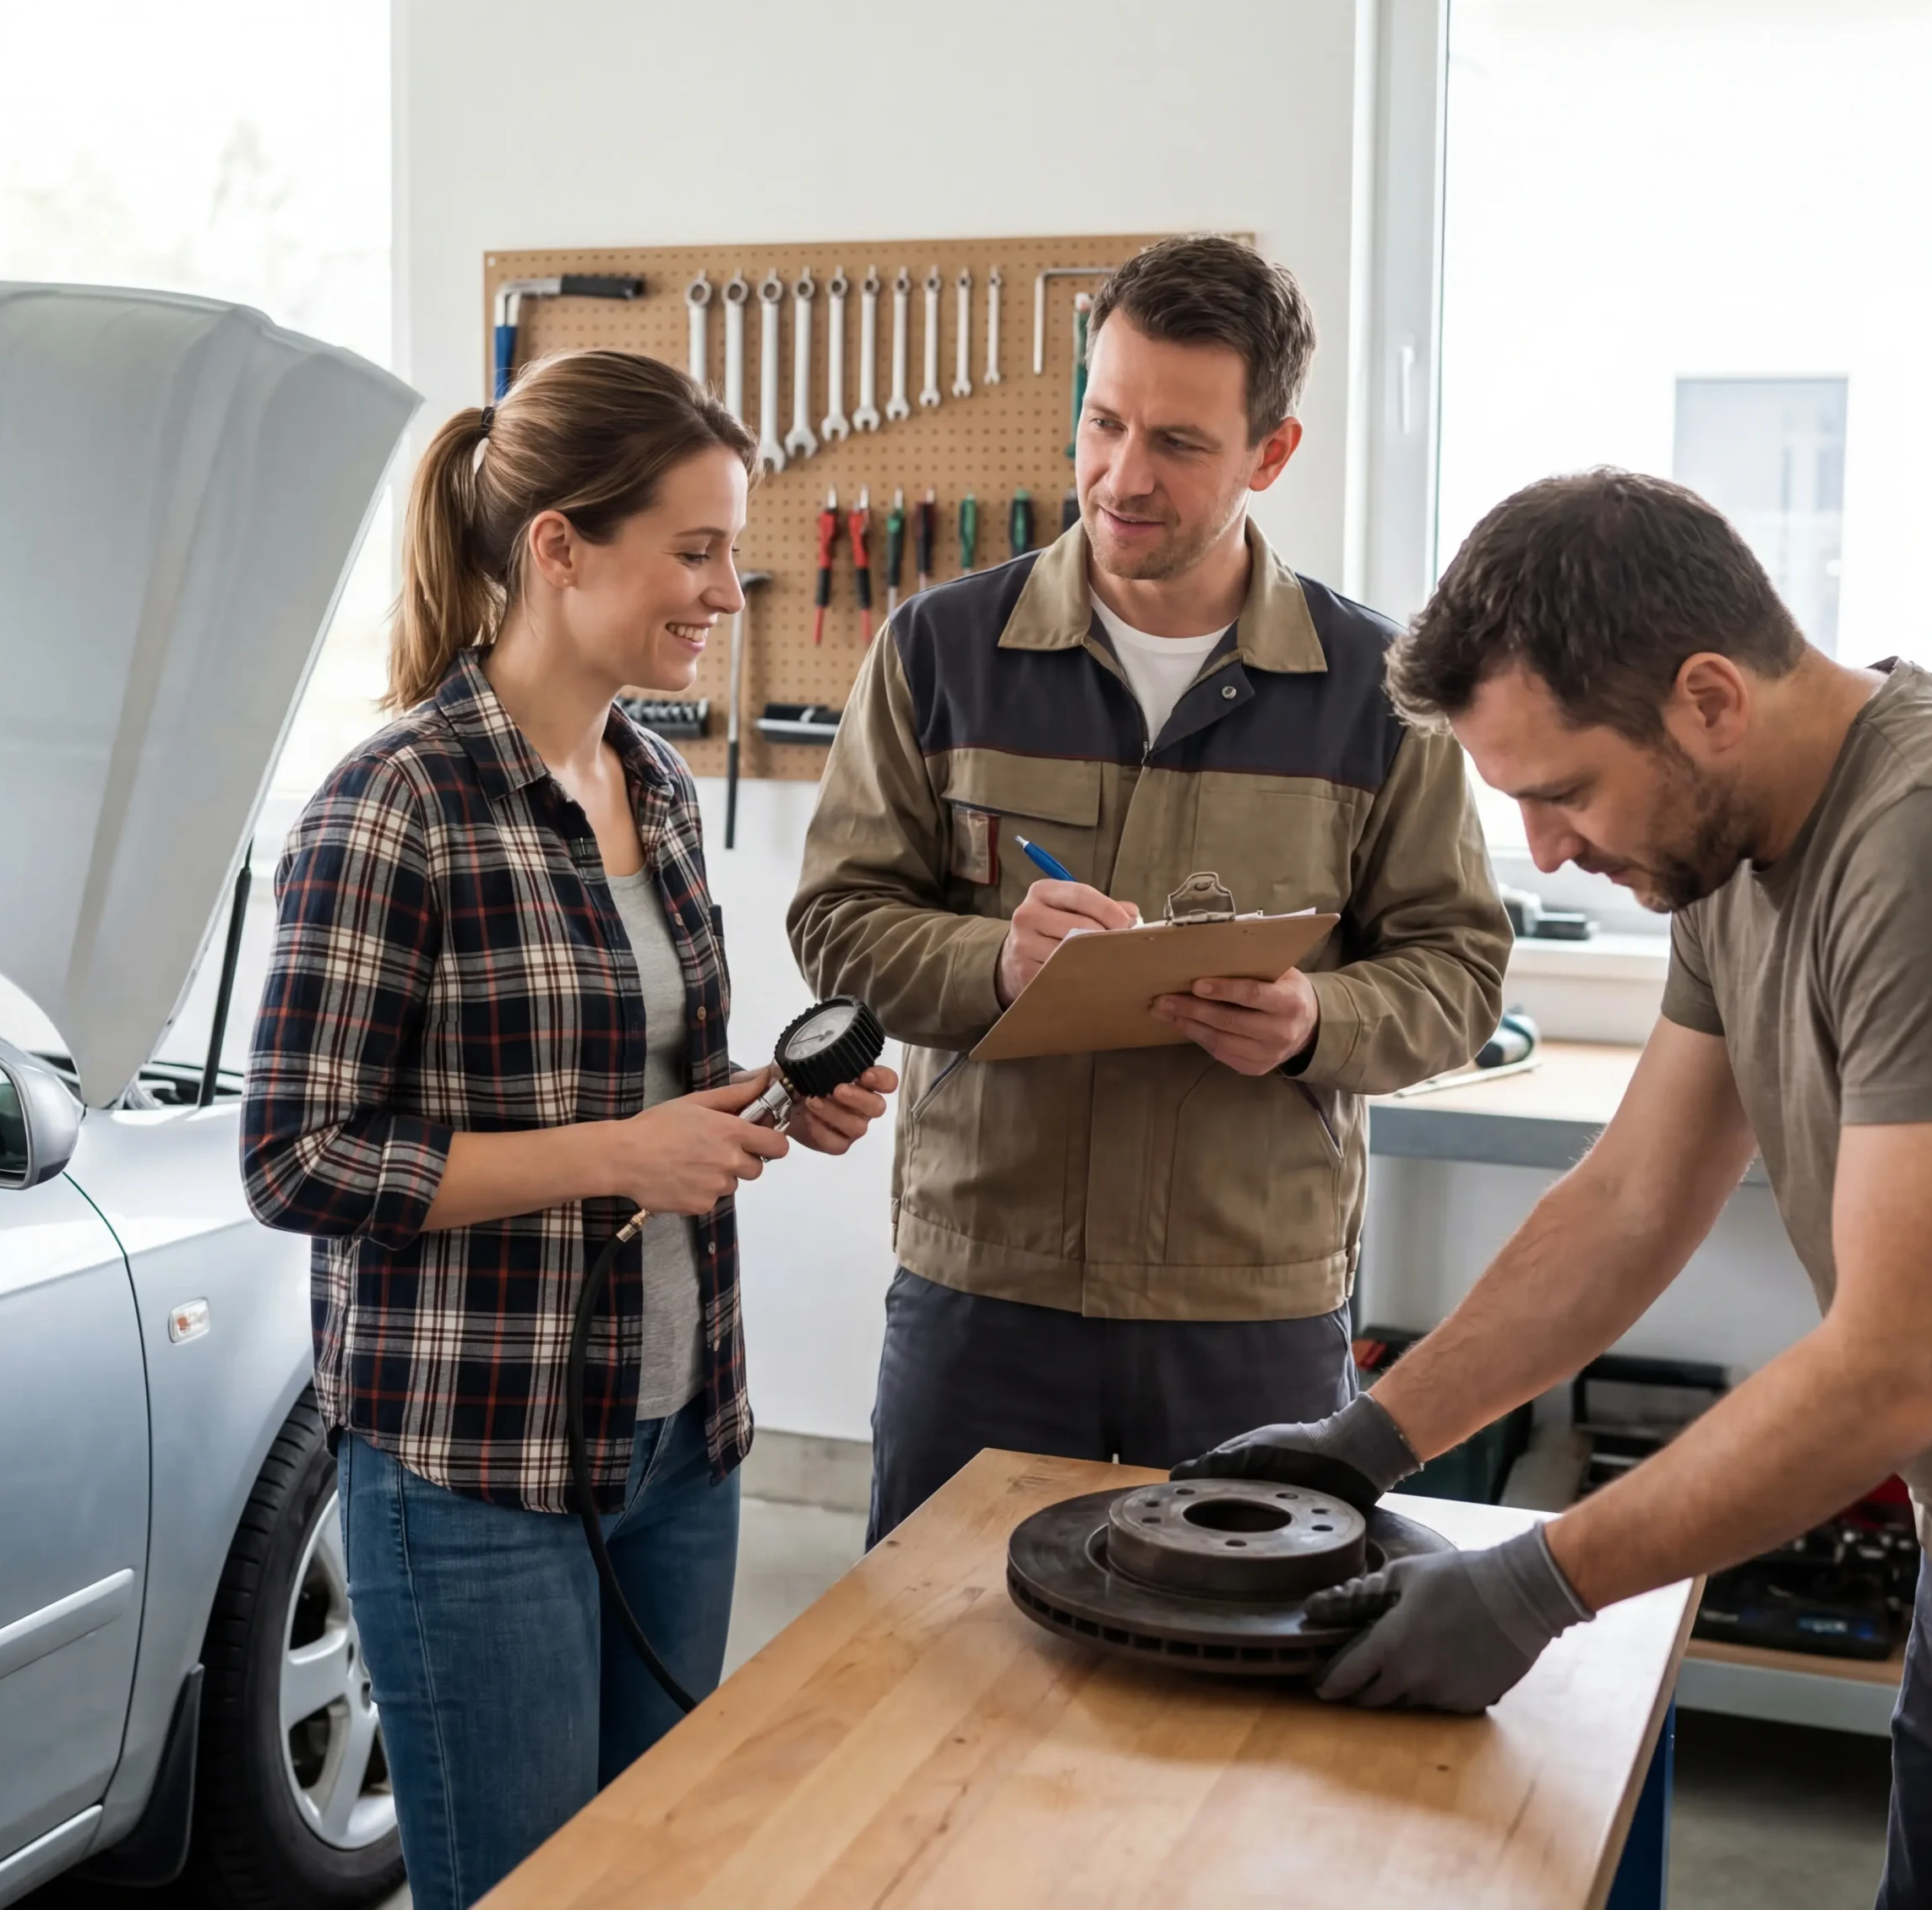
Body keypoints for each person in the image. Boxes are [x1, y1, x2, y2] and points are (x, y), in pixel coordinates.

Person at [1178, 469, 1932, 1905]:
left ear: (1709, 699)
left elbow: (1903, 1365)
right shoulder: (1730, 851)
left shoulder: (1929, 839)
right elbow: (1631, 1204)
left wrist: (1537, 1585)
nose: (1545, 853)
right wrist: (1370, 1441)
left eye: (1563, 792)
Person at [240, 350, 896, 1907]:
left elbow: (639, 1076)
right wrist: (619, 1156)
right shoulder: (392, 807)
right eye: (695, 549)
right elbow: (296, 1157)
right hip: (478, 1468)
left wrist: (766, 1105)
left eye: (732, 551)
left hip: (680, 1439)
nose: (727, 590)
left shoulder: (649, 783)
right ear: (559, 547)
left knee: (660, 1879)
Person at [788, 234, 1510, 1546]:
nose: (1124, 476)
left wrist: (1318, 1022)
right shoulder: (939, 652)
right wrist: (996, 964)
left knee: (1236, 1662)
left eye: (1178, 443)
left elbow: (1458, 973)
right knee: (937, 1646)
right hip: (986, 1294)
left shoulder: (1380, 691)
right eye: (1104, 421)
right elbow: (838, 923)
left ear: (1271, 453)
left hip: (1250, 1308)